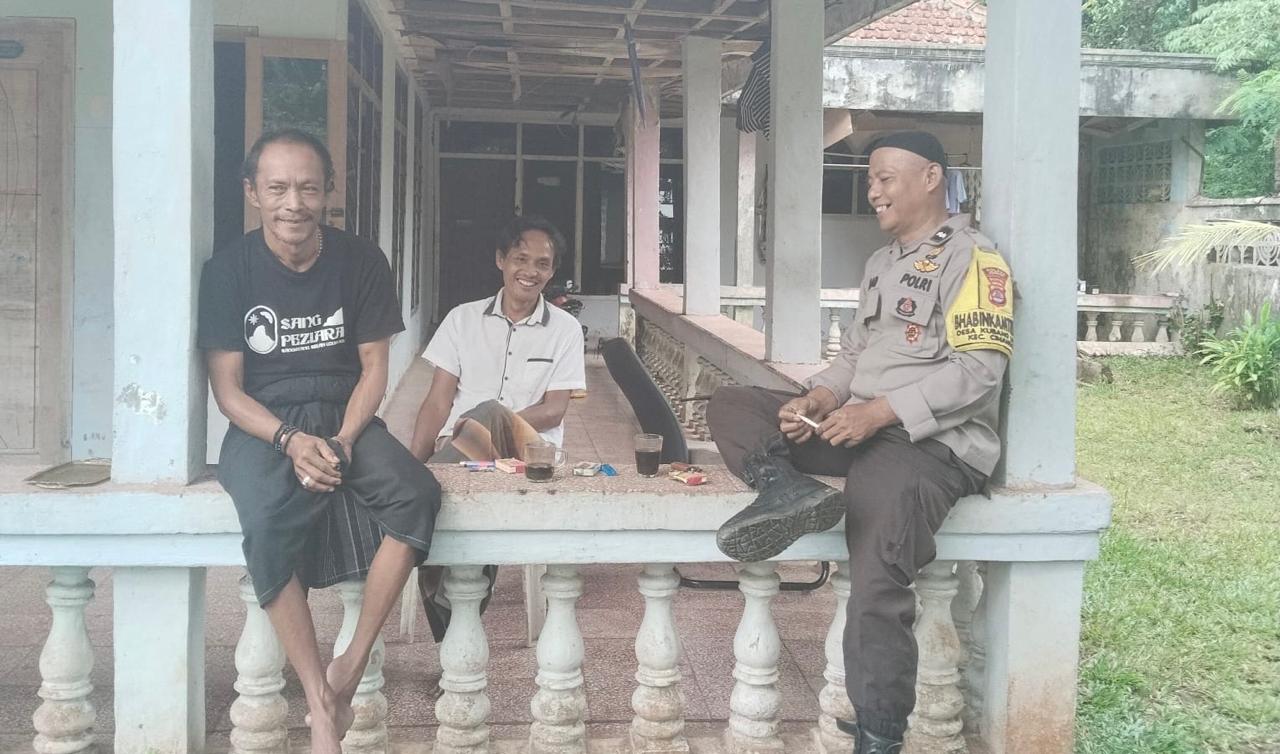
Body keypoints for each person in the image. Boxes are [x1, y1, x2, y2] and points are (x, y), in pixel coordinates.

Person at [705, 131, 1014, 754]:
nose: (872, 191)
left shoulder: (975, 260)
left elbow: (979, 371)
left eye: (884, 178)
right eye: (870, 179)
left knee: (876, 575)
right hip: (858, 427)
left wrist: (878, 413)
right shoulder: (882, 263)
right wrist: (817, 399)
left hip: (928, 445)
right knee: (734, 404)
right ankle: (785, 489)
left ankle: (879, 732)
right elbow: (853, 355)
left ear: (931, 177)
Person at [199, 129, 440, 753]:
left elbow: (375, 368)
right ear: (253, 193)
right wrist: (288, 440)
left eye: (308, 188)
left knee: (416, 494)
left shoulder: (361, 261)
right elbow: (228, 391)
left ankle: (349, 665)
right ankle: (318, 702)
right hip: (263, 422)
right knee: (264, 520)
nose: (293, 204)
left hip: (342, 410)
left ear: (329, 191)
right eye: (277, 188)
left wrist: (344, 438)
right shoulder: (228, 271)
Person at [409, 215, 586, 639]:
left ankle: (428, 570)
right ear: (500, 260)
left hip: (530, 455)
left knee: (485, 414)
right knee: (459, 471)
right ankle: (455, 626)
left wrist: (490, 421)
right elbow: (437, 401)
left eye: (542, 264)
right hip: (462, 452)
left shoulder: (565, 330)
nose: (531, 271)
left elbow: (554, 410)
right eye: (521, 259)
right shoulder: (462, 319)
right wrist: (414, 466)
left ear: (552, 272)